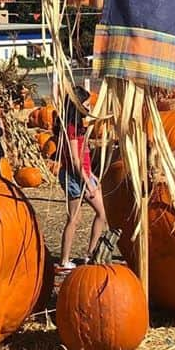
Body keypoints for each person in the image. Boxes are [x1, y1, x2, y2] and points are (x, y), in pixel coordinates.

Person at [56, 86, 107, 272]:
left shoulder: (79, 126)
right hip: (74, 176)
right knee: (74, 219)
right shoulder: (70, 128)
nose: (89, 108)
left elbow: (83, 155)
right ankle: (64, 261)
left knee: (102, 213)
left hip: (83, 174)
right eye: (86, 105)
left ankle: (90, 255)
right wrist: (86, 181)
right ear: (77, 105)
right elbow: (75, 160)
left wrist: (92, 175)